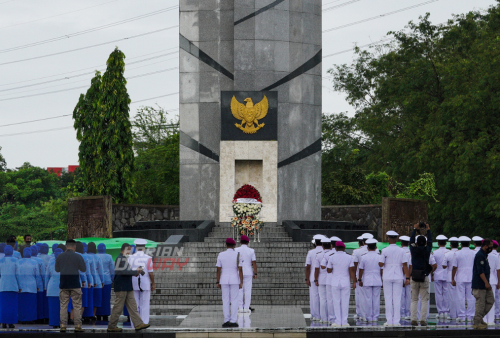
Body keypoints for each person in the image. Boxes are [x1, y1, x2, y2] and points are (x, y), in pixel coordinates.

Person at [107, 243, 149, 332]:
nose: (130, 252)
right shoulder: (120, 258)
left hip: (127, 286)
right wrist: (136, 271)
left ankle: (138, 323)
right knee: (118, 307)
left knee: (133, 306)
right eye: (129, 250)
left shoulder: (123, 258)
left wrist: (135, 272)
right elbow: (124, 272)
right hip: (122, 286)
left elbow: (127, 271)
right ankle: (112, 325)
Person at [55, 239, 87, 333]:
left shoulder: (60, 256)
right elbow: (83, 269)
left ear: (66, 246)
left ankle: (63, 325)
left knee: (63, 305)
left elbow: (57, 270)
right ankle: (77, 325)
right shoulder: (78, 256)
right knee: (77, 305)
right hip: (75, 283)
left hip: (64, 283)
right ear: (74, 247)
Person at [379, 230, 410, 327]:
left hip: (387, 276)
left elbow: (380, 264)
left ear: (388, 239)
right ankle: (396, 321)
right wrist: (408, 277)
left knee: (388, 299)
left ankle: (389, 321)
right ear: (396, 239)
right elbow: (405, 265)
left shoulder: (384, 250)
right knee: (397, 299)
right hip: (398, 276)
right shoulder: (401, 251)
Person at [408, 223, 433, 326]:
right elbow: (430, 242)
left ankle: (413, 319)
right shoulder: (427, 250)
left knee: (414, 300)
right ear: (425, 243)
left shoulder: (413, 250)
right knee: (424, 300)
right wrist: (428, 230)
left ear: (417, 243)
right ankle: (422, 319)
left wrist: (415, 229)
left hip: (414, 276)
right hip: (424, 276)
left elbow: (411, 241)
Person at [327, 241, 355, 327]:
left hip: (335, 281)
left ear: (335, 248)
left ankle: (338, 322)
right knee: (345, 302)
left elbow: (328, 270)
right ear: (344, 248)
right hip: (345, 281)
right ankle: (344, 321)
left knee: (336, 302)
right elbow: (351, 270)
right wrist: (354, 281)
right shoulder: (349, 257)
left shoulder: (332, 257)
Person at [216, 238, 243, 328]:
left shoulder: (221, 254)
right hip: (235, 279)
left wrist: (217, 281)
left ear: (225, 245)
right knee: (234, 300)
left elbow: (218, 270)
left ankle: (226, 320)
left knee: (225, 300)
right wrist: (241, 282)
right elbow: (240, 270)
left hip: (223, 279)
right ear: (234, 245)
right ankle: (233, 320)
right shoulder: (238, 255)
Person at [128, 239, 155, 326]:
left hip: (133, 283)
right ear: (144, 248)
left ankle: (134, 324)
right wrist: (153, 283)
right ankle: (144, 322)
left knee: (134, 305)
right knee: (145, 304)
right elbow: (150, 272)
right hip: (145, 283)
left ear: (135, 247)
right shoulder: (148, 258)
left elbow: (128, 271)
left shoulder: (130, 258)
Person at [472, 239, 495, 329]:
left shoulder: (484, 255)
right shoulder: (480, 255)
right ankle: (477, 322)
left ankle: (479, 317)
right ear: (486, 246)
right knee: (480, 303)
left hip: (485, 283)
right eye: (490, 246)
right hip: (480, 284)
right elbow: (480, 271)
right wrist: (486, 283)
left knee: (490, 300)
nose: (491, 248)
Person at [452, 236, 476, 322]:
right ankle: (470, 316)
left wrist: (452, 278)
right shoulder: (474, 253)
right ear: (469, 244)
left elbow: (454, 267)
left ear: (460, 244)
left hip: (460, 277)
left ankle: (461, 316)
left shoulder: (457, 253)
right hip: (471, 277)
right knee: (471, 297)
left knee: (460, 297)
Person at [358, 238, 382, 323]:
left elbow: (361, 269)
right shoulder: (379, 257)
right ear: (376, 247)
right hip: (377, 279)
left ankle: (368, 317)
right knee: (376, 299)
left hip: (367, 280)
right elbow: (381, 269)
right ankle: (375, 317)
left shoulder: (364, 257)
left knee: (367, 299)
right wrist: (381, 278)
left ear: (367, 247)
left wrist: (359, 279)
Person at [320, 236, 341, 325]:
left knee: (329, 300)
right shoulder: (342, 254)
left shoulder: (328, 254)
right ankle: (338, 318)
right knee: (338, 300)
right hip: (339, 279)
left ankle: (331, 318)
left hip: (329, 279)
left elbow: (322, 266)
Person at [17, 247, 40, 323]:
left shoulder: (18, 262)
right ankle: (31, 319)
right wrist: (38, 286)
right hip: (32, 286)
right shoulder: (34, 262)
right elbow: (37, 276)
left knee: (22, 304)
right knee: (31, 304)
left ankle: (21, 319)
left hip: (21, 286)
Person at [0, 245, 21, 328]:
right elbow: (18, 275)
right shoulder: (15, 260)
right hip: (13, 285)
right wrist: (20, 286)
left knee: (3, 305)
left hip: (3, 286)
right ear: (12, 251)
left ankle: (3, 322)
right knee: (12, 305)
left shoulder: (0, 261)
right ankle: (11, 322)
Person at [235, 235, 257, 314]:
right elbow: (253, 262)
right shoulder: (251, 251)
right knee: (248, 290)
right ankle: (247, 307)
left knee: (239, 289)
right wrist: (255, 272)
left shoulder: (236, 249)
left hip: (239, 271)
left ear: (240, 242)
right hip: (248, 272)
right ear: (248, 242)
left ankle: (240, 307)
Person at [305, 234, 324, 322]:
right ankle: (324, 315)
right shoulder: (327, 251)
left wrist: (307, 278)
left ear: (315, 243)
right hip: (324, 278)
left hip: (313, 277)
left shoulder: (311, 252)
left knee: (314, 297)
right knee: (324, 298)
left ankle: (316, 315)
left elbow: (308, 266)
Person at [314, 237, 332, 323]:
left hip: (321, 279)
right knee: (330, 299)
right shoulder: (333, 254)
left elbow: (317, 269)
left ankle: (324, 318)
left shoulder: (319, 254)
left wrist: (315, 279)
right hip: (331, 279)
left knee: (322, 299)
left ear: (323, 246)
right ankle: (331, 318)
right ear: (331, 245)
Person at [442, 237, 460, 321]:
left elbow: (444, 265)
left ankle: (453, 314)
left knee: (451, 297)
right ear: (458, 245)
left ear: (450, 245)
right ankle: (460, 314)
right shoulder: (460, 253)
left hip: (450, 276)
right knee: (460, 296)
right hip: (459, 276)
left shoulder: (447, 254)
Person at [96, 243, 114, 320]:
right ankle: (106, 314)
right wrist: (112, 278)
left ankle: (98, 314)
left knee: (98, 297)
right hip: (107, 280)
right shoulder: (109, 257)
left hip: (97, 280)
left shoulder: (95, 256)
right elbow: (112, 269)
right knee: (106, 298)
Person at [433, 235, 450, 319]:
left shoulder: (435, 252)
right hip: (447, 274)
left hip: (437, 274)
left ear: (438, 243)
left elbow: (433, 264)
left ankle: (440, 312)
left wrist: (432, 274)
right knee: (446, 294)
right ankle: (446, 311)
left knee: (438, 294)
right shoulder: (449, 252)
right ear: (446, 243)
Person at [484, 241, 500, 325]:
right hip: (493, 280)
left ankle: (484, 319)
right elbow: (498, 271)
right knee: (491, 300)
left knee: (483, 300)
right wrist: (499, 282)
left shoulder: (480, 256)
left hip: (483, 280)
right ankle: (490, 320)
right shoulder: (495, 257)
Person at [46, 249, 63, 328]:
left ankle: (53, 322)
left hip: (51, 288)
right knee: (62, 307)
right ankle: (61, 322)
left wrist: (46, 287)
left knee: (53, 307)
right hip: (63, 287)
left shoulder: (50, 263)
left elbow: (47, 277)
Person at [87, 242, 104, 317]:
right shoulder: (97, 257)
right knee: (96, 299)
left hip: (87, 281)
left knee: (88, 299)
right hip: (97, 280)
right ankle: (93, 314)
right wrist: (102, 281)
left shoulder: (85, 256)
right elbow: (101, 270)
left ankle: (86, 314)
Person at [352, 236, 366, 321]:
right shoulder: (374, 250)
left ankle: (359, 313)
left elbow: (354, 265)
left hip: (359, 276)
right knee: (369, 297)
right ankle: (369, 314)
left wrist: (354, 277)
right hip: (369, 276)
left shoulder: (356, 251)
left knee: (359, 296)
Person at [30, 246, 45, 323]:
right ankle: (39, 317)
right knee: (39, 302)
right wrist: (44, 284)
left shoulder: (22, 260)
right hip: (39, 284)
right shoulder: (39, 260)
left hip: (27, 286)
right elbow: (42, 274)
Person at [399, 235, 412, 320]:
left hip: (400, 275)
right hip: (409, 275)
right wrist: (408, 277)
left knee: (401, 296)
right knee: (409, 296)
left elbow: (401, 266)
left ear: (401, 243)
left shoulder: (399, 251)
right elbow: (410, 266)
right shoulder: (411, 252)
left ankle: (402, 313)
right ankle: (408, 313)